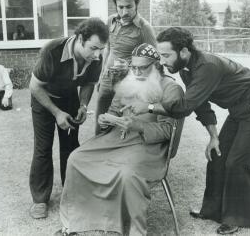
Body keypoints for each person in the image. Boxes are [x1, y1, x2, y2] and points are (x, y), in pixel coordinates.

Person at [123, 27, 250, 234]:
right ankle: (212, 210)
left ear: (185, 51)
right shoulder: (186, 69)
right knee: (217, 155)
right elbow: (201, 105)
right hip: (239, 109)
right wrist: (214, 137)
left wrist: (149, 107)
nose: (161, 61)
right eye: (160, 55)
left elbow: (183, 108)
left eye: (166, 55)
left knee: (237, 162)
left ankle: (237, 218)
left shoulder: (207, 67)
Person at [55, 44, 183, 236]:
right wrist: (105, 119)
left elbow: (167, 131)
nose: (137, 72)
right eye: (134, 67)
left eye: (143, 67)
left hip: (149, 146)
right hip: (116, 139)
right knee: (76, 158)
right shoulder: (129, 82)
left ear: (156, 65)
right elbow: (113, 112)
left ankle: (129, 229)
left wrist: (136, 125)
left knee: (126, 173)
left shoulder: (171, 88)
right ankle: (78, 220)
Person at [29, 18, 109, 219]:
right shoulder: (52, 50)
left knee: (71, 146)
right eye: (93, 48)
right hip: (43, 99)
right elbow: (35, 86)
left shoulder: (96, 57)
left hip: (70, 98)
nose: (97, 54)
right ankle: (40, 199)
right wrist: (57, 113)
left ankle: (72, 192)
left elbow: (89, 83)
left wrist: (83, 105)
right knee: (43, 147)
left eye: (101, 49)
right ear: (80, 38)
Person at [95, 0, 156, 135]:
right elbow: (108, 48)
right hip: (108, 78)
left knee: (117, 121)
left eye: (129, 6)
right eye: (120, 7)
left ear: (137, 5)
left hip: (128, 81)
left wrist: (129, 68)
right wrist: (102, 75)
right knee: (100, 120)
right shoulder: (110, 21)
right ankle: (97, 152)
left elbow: (154, 60)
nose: (124, 11)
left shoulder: (145, 28)